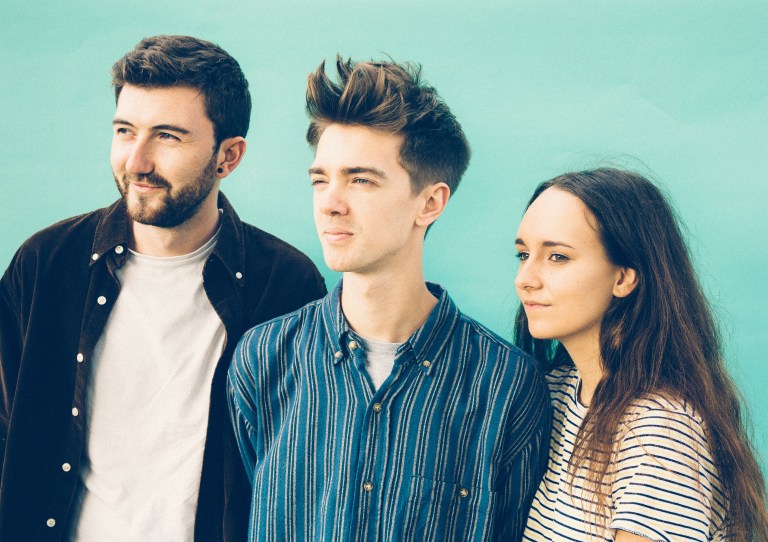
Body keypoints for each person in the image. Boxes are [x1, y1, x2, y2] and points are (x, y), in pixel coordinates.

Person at [0, 35, 326, 541]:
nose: (137, 161)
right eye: (125, 130)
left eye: (168, 137)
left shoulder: (284, 284)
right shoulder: (46, 264)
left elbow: (299, 469)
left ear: (229, 156)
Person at [228, 56, 550, 541]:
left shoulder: (506, 385)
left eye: (360, 179)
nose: (330, 202)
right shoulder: (263, 358)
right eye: (321, 179)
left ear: (430, 202)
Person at [514, 168, 768, 541]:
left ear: (623, 277)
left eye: (557, 257)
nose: (525, 278)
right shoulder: (555, 393)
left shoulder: (659, 428)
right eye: (523, 254)